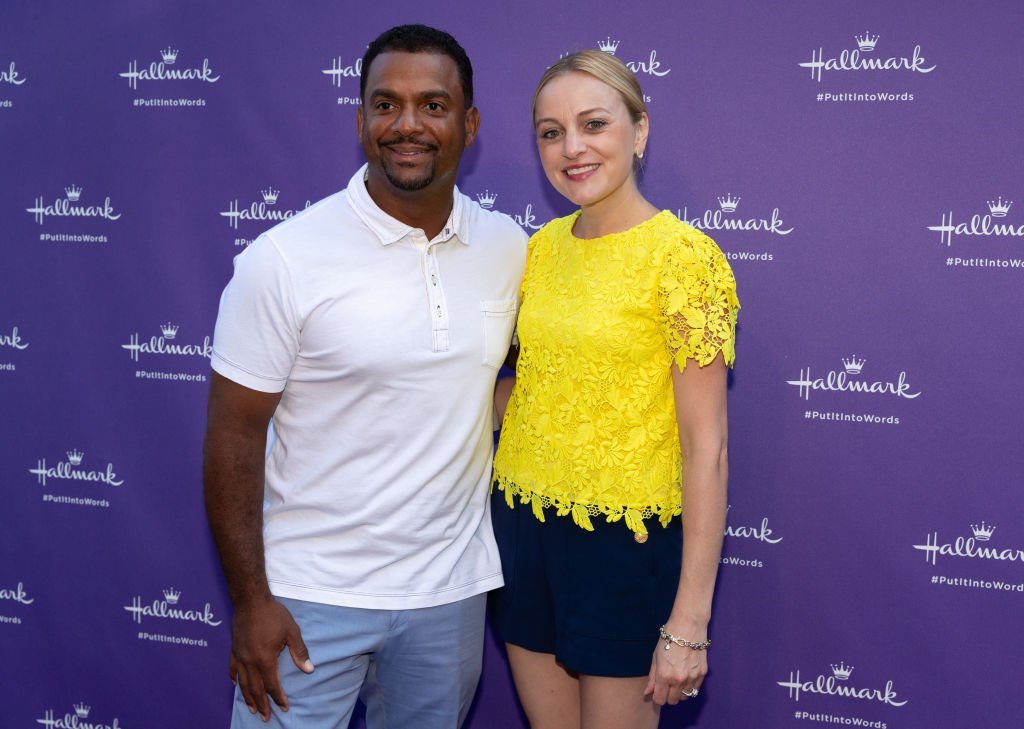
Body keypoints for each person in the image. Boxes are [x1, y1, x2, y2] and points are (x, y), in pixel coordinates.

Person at [203, 24, 527, 728]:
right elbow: (234, 433)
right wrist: (252, 600)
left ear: (469, 125)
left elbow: (525, 380)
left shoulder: (510, 248)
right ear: (360, 120)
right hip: (305, 598)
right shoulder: (284, 258)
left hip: (450, 595)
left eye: (433, 105)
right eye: (386, 104)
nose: (407, 124)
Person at [490, 50, 739, 728]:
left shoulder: (685, 258)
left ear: (640, 130)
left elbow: (706, 447)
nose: (572, 148)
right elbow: (536, 387)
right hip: (520, 529)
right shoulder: (536, 250)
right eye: (550, 131)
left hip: (625, 545)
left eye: (593, 123)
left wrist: (689, 618)